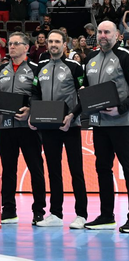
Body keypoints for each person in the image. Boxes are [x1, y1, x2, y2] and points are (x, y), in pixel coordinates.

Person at [30, 29, 87, 229]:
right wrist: (33, 114)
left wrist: (72, 116)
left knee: (76, 170)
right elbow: (35, 93)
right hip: (48, 125)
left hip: (71, 125)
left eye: (57, 41)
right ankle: (56, 213)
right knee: (53, 170)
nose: (53, 44)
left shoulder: (75, 67)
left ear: (65, 44)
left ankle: (82, 214)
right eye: (50, 41)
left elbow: (83, 96)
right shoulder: (41, 66)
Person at [0, 32, 46, 225]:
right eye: (10, 44)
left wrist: (30, 110)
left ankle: (39, 211)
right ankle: (9, 210)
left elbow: (40, 95)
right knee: (8, 170)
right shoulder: (2, 70)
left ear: (26, 47)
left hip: (29, 127)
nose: (11, 47)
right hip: (6, 127)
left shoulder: (36, 69)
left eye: (15, 44)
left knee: (36, 169)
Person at [81, 21, 129, 232]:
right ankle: (107, 216)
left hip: (123, 123)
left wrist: (122, 109)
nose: (102, 35)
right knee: (102, 169)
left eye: (107, 32)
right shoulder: (90, 58)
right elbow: (89, 89)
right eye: (100, 32)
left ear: (117, 35)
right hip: (99, 124)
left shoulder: (125, 56)